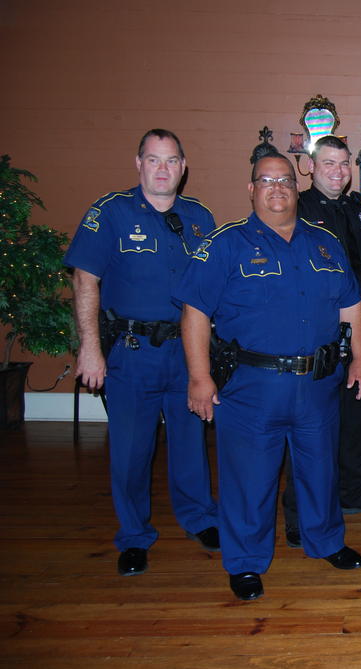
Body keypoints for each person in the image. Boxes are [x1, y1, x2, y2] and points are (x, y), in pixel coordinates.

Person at [175, 153, 361, 600]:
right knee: (250, 479)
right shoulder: (225, 244)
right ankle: (245, 561)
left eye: (284, 180)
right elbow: (195, 311)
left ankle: (326, 542)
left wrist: (359, 359)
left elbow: (351, 304)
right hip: (251, 387)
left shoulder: (324, 243)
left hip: (317, 385)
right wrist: (199, 377)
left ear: (295, 188)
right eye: (266, 180)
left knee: (320, 471)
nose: (277, 188)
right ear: (251, 189)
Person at [64, 129, 219, 577]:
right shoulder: (109, 213)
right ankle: (134, 536)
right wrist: (90, 350)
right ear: (138, 164)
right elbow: (84, 280)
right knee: (131, 452)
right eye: (154, 160)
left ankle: (199, 519)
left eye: (171, 161)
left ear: (183, 167)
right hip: (131, 354)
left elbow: (212, 290)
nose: (163, 169)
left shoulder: (199, 218)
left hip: (186, 351)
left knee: (191, 441)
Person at [281, 135, 361, 548]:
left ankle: (354, 492)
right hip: (318, 337)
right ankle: (298, 511)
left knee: (357, 419)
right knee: (308, 429)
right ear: (311, 166)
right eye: (329, 163)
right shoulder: (297, 210)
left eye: (344, 164)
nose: (339, 172)